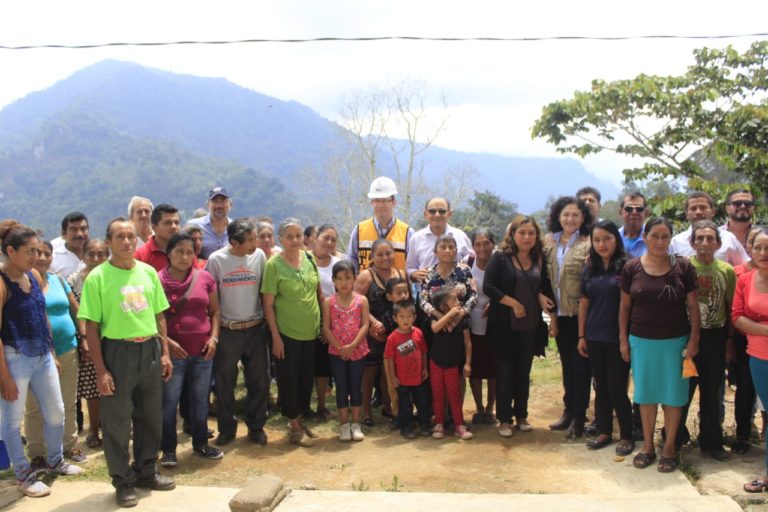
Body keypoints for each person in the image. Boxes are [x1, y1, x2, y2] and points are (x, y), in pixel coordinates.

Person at [78, 217, 175, 507]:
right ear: (108, 243)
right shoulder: (98, 277)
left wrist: (165, 352)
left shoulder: (148, 273)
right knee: (117, 423)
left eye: (131, 236)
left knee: (150, 417)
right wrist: (101, 370)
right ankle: (122, 480)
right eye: (119, 237)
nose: (126, 242)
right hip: (117, 353)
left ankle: (146, 470)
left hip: (148, 350)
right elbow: (92, 327)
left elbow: (159, 315)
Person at [1, 221, 83, 498]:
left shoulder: (34, 276)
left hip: (42, 356)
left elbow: (42, 316)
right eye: (29, 251)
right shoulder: (2, 284)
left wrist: (50, 352)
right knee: (12, 422)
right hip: (15, 358)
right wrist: (5, 377)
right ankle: (23, 474)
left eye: (37, 250)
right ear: (10, 251)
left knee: (56, 411)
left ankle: (55, 459)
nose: (35, 257)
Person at [619, 217, 700, 473]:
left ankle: (669, 448)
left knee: (674, 397)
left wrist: (694, 339)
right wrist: (623, 339)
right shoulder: (632, 268)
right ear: (645, 237)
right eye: (655, 236)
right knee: (646, 395)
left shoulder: (683, 268)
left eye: (665, 237)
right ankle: (648, 447)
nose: (660, 241)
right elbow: (624, 307)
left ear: (671, 239)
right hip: (642, 341)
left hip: (676, 342)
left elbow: (693, 307)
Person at [485, 216, 555, 437]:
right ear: (513, 235)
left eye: (531, 233)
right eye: (522, 233)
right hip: (503, 325)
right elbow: (489, 286)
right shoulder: (500, 258)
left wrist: (542, 298)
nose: (526, 237)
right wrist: (513, 303)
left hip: (530, 325)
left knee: (523, 372)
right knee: (505, 373)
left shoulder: (539, 258)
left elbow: (542, 285)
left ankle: (522, 415)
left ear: (537, 236)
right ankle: (504, 419)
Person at [159, 232, 223, 466]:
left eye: (189, 252)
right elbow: (153, 318)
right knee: (169, 402)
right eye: (179, 251)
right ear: (169, 254)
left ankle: (201, 443)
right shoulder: (156, 280)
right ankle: (167, 449)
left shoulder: (205, 278)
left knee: (199, 400)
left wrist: (214, 338)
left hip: (203, 352)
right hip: (173, 354)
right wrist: (167, 343)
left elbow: (215, 311)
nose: (185, 257)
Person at [205, 218, 269, 447]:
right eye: (250, 240)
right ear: (234, 241)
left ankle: (256, 426)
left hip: (255, 328)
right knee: (224, 383)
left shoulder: (259, 257)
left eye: (255, 238)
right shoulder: (217, 261)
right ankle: (227, 428)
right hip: (228, 331)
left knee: (259, 381)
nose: (255, 243)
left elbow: (265, 291)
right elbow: (211, 297)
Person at [25, 240, 87, 470]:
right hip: (37, 354)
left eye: (46, 253)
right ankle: (38, 453)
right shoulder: (25, 282)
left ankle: (69, 445)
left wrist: (85, 337)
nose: (42, 257)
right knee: (34, 407)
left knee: (68, 402)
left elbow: (76, 310)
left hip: (68, 349)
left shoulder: (59, 280)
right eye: (37, 252)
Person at [262, 218, 323, 447]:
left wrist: (323, 325)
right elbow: (268, 304)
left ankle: (301, 418)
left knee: (306, 379)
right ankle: (294, 426)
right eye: (290, 236)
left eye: (298, 235)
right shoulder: (274, 265)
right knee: (289, 380)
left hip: (311, 332)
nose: (295, 240)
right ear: (281, 239)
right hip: (287, 333)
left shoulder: (309, 258)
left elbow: (319, 294)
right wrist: (276, 337)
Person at [677, 220, 735, 461]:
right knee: (683, 390)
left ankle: (712, 441)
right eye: (699, 238)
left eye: (710, 238)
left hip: (715, 337)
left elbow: (730, 308)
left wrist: (729, 341)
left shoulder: (726, 271)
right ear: (691, 242)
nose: (704, 243)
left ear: (718, 243)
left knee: (711, 392)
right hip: (687, 338)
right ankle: (676, 436)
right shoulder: (683, 268)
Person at [576, 221, 633, 455]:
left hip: (618, 337)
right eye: (597, 240)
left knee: (617, 388)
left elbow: (628, 306)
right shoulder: (590, 268)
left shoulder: (627, 267)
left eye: (607, 239)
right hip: (594, 336)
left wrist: (623, 338)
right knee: (600, 387)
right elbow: (584, 304)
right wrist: (581, 335)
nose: (602, 244)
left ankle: (627, 435)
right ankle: (604, 431)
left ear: (616, 240)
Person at [543, 196, 593, 438]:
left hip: (580, 315)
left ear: (583, 217)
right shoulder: (549, 243)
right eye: (566, 215)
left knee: (581, 368)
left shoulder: (589, 243)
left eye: (575, 215)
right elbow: (544, 278)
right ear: (558, 217)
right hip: (559, 316)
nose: (570, 219)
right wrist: (550, 314)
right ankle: (568, 411)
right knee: (567, 366)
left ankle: (579, 416)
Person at [354, 239, 405, 426]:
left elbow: (405, 302)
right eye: (380, 254)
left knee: (388, 372)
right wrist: (373, 324)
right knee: (370, 372)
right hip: (371, 333)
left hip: (395, 333)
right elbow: (356, 303)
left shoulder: (400, 273)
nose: (385, 258)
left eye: (388, 253)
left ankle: (388, 406)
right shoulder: (366, 276)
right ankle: (366, 412)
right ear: (373, 257)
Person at [733, 228, 768, 492]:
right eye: (758, 248)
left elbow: (749, 320)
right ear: (750, 249)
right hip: (758, 357)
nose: (763, 253)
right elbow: (737, 316)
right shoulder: (745, 280)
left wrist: (757, 324)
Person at [67, 238, 108, 450]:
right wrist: (84, 339)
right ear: (82, 256)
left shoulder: (111, 277)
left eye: (101, 254)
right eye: (91, 254)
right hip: (86, 340)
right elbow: (75, 313)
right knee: (93, 387)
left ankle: (110, 426)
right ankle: (93, 430)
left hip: (111, 338)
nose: (96, 258)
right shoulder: (74, 280)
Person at [322, 260, 370, 442]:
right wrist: (339, 347)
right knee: (341, 387)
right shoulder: (329, 302)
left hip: (357, 351)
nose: (344, 282)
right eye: (339, 278)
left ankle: (356, 424)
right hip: (337, 353)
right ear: (333, 280)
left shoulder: (361, 301)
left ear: (354, 279)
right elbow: (326, 327)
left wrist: (352, 346)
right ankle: (344, 425)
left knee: (356, 387)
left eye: (348, 278)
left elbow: (365, 324)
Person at [428, 287, 473, 440]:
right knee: (438, 395)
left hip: (453, 363)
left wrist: (468, 363)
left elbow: (467, 343)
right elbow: (435, 328)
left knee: (454, 394)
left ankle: (459, 425)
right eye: (454, 300)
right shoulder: (434, 319)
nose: (458, 302)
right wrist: (449, 315)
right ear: (442, 306)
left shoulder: (463, 320)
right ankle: (439, 423)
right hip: (436, 363)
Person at [346, 176, 414, 273]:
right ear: (371, 203)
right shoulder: (359, 230)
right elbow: (351, 262)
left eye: (385, 200)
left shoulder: (407, 232)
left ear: (394, 203)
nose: (380, 205)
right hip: (366, 287)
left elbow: (412, 266)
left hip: (397, 286)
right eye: (377, 200)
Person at [384, 300, 430, 439]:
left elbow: (423, 352)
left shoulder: (419, 333)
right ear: (395, 318)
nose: (406, 320)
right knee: (405, 406)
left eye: (409, 317)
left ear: (414, 318)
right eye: (402, 317)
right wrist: (393, 378)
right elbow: (389, 359)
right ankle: (406, 428)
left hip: (418, 378)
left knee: (422, 403)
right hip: (402, 380)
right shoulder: (392, 338)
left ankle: (424, 425)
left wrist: (425, 369)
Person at [311, 224, 342, 420]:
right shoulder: (304, 260)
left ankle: (322, 405)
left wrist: (328, 324)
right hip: (308, 318)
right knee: (306, 365)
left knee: (323, 366)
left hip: (335, 320)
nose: (328, 243)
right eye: (325, 238)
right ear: (316, 237)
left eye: (333, 240)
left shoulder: (338, 263)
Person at [669, 191, 747, 266]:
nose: (698, 212)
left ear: (713, 211)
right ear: (686, 214)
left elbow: (745, 265)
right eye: (693, 208)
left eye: (703, 207)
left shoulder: (728, 238)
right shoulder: (676, 243)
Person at [407, 197, 473, 284]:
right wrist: (413, 274)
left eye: (442, 211)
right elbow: (410, 267)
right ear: (425, 214)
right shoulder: (416, 239)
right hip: (426, 294)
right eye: (432, 211)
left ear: (449, 214)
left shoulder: (461, 236)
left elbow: (472, 262)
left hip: (456, 294)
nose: (437, 215)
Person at [468, 228, 496, 425]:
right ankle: (479, 409)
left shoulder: (500, 263)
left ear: (492, 244)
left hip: (495, 324)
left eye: (486, 243)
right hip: (473, 323)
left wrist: (495, 303)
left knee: (493, 370)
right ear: (473, 247)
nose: (482, 247)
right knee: (476, 368)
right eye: (478, 244)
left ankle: (490, 409)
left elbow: (508, 287)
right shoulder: (468, 264)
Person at [186, 187, 233, 259]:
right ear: (208, 204)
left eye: (223, 201)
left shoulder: (235, 228)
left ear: (230, 204)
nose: (219, 205)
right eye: (215, 201)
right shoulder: (193, 225)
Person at [134, 204, 182, 272]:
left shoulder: (187, 252)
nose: (173, 226)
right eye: (167, 223)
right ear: (154, 227)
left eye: (176, 223)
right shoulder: (141, 256)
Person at [51, 212, 89, 279]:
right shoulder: (53, 259)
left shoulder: (98, 256)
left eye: (83, 229)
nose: (79, 234)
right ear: (63, 233)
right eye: (74, 230)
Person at [618, 192, 649, 258]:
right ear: (620, 213)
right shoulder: (614, 238)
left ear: (646, 213)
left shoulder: (653, 238)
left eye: (639, 209)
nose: (634, 212)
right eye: (629, 209)